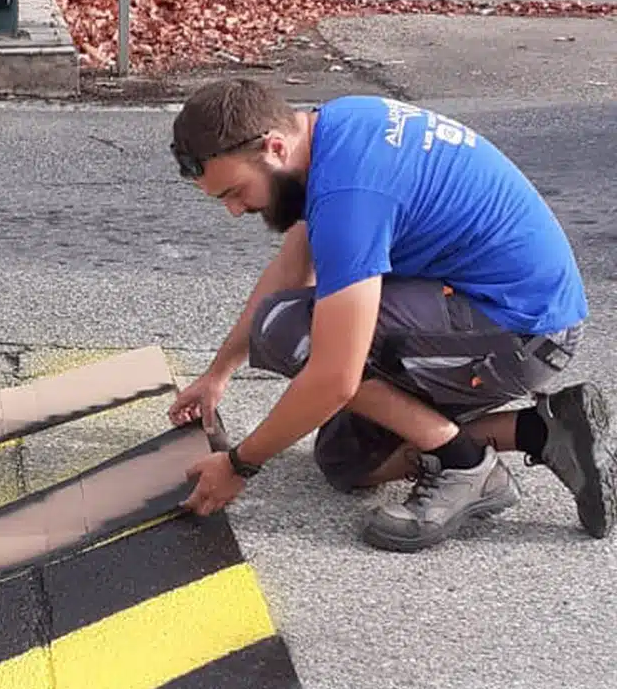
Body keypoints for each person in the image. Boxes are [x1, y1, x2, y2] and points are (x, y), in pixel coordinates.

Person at [166, 78, 615, 552]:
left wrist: (239, 465)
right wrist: (218, 372)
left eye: (235, 192)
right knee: (347, 462)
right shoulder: (330, 130)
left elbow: (335, 378)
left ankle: (464, 464)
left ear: (274, 147)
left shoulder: (349, 193)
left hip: (518, 330)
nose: (237, 211)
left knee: (288, 332)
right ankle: (543, 430)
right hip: (497, 310)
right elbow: (291, 269)